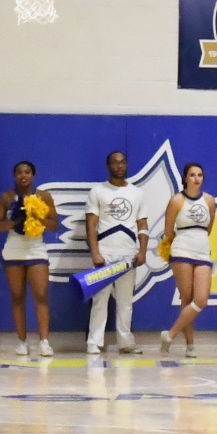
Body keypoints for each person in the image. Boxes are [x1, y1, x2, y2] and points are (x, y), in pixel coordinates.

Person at [84, 151, 150, 356]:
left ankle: (125, 342)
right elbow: (91, 225)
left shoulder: (137, 193)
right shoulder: (97, 191)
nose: (119, 166)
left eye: (123, 162)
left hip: (129, 253)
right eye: (115, 163)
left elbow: (142, 225)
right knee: (100, 298)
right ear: (108, 166)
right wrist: (95, 252)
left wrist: (142, 251)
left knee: (125, 300)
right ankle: (94, 342)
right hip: (105, 251)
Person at [0, 160, 56, 358]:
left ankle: (44, 342)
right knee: (17, 296)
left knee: (40, 294)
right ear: (15, 176)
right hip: (13, 250)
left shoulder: (44, 196)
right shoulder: (6, 198)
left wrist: (37, 218)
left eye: (27, 172)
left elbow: (55, 225)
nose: (23, 176)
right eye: (19, 173)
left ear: (33, 175)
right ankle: (22, 342)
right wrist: (14, 221)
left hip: (36, 249)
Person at [158, 164, 217, 358]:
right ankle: (190, 346)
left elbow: (209, 227)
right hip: (181, 249)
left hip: (202, 251)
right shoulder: (176, 200)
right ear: (185, 178)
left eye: (200, 175)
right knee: (187, 298)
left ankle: (170, 335)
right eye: (192, 175)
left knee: (200, 299)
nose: (196, 179)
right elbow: (168, 231)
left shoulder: (209, 201)